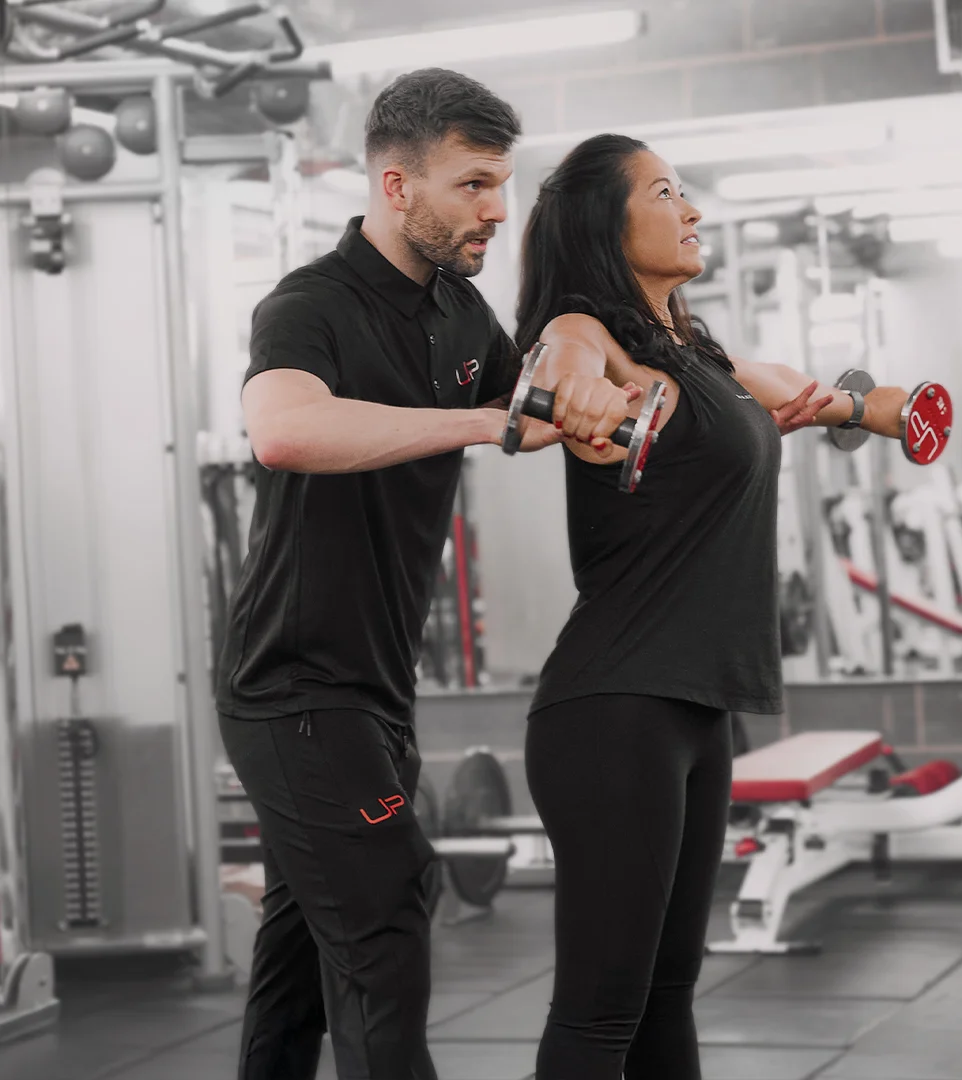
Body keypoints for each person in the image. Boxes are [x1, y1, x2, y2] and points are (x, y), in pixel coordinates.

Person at [212, 68, 644, 1080]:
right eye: (474, 185)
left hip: (376, 685)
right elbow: (282, 430)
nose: (497, 209)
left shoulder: (458, 311)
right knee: (390, 917)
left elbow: (527, 412)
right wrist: (490, 422)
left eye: (503, 185)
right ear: (397, 187)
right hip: (294, 685)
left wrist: (599, 399)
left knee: (299, 953)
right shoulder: (306, 307)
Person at [513, 133, 925, 1080]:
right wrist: (571, 393)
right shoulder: (591, 333)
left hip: (693, 712)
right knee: (599, 1013)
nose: (692, 210)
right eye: (666, 193)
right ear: (605, 226)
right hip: (615, 709)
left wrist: (881, 408)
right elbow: (558, 361)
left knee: (666, 997)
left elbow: (807, 393)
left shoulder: (697, 353)